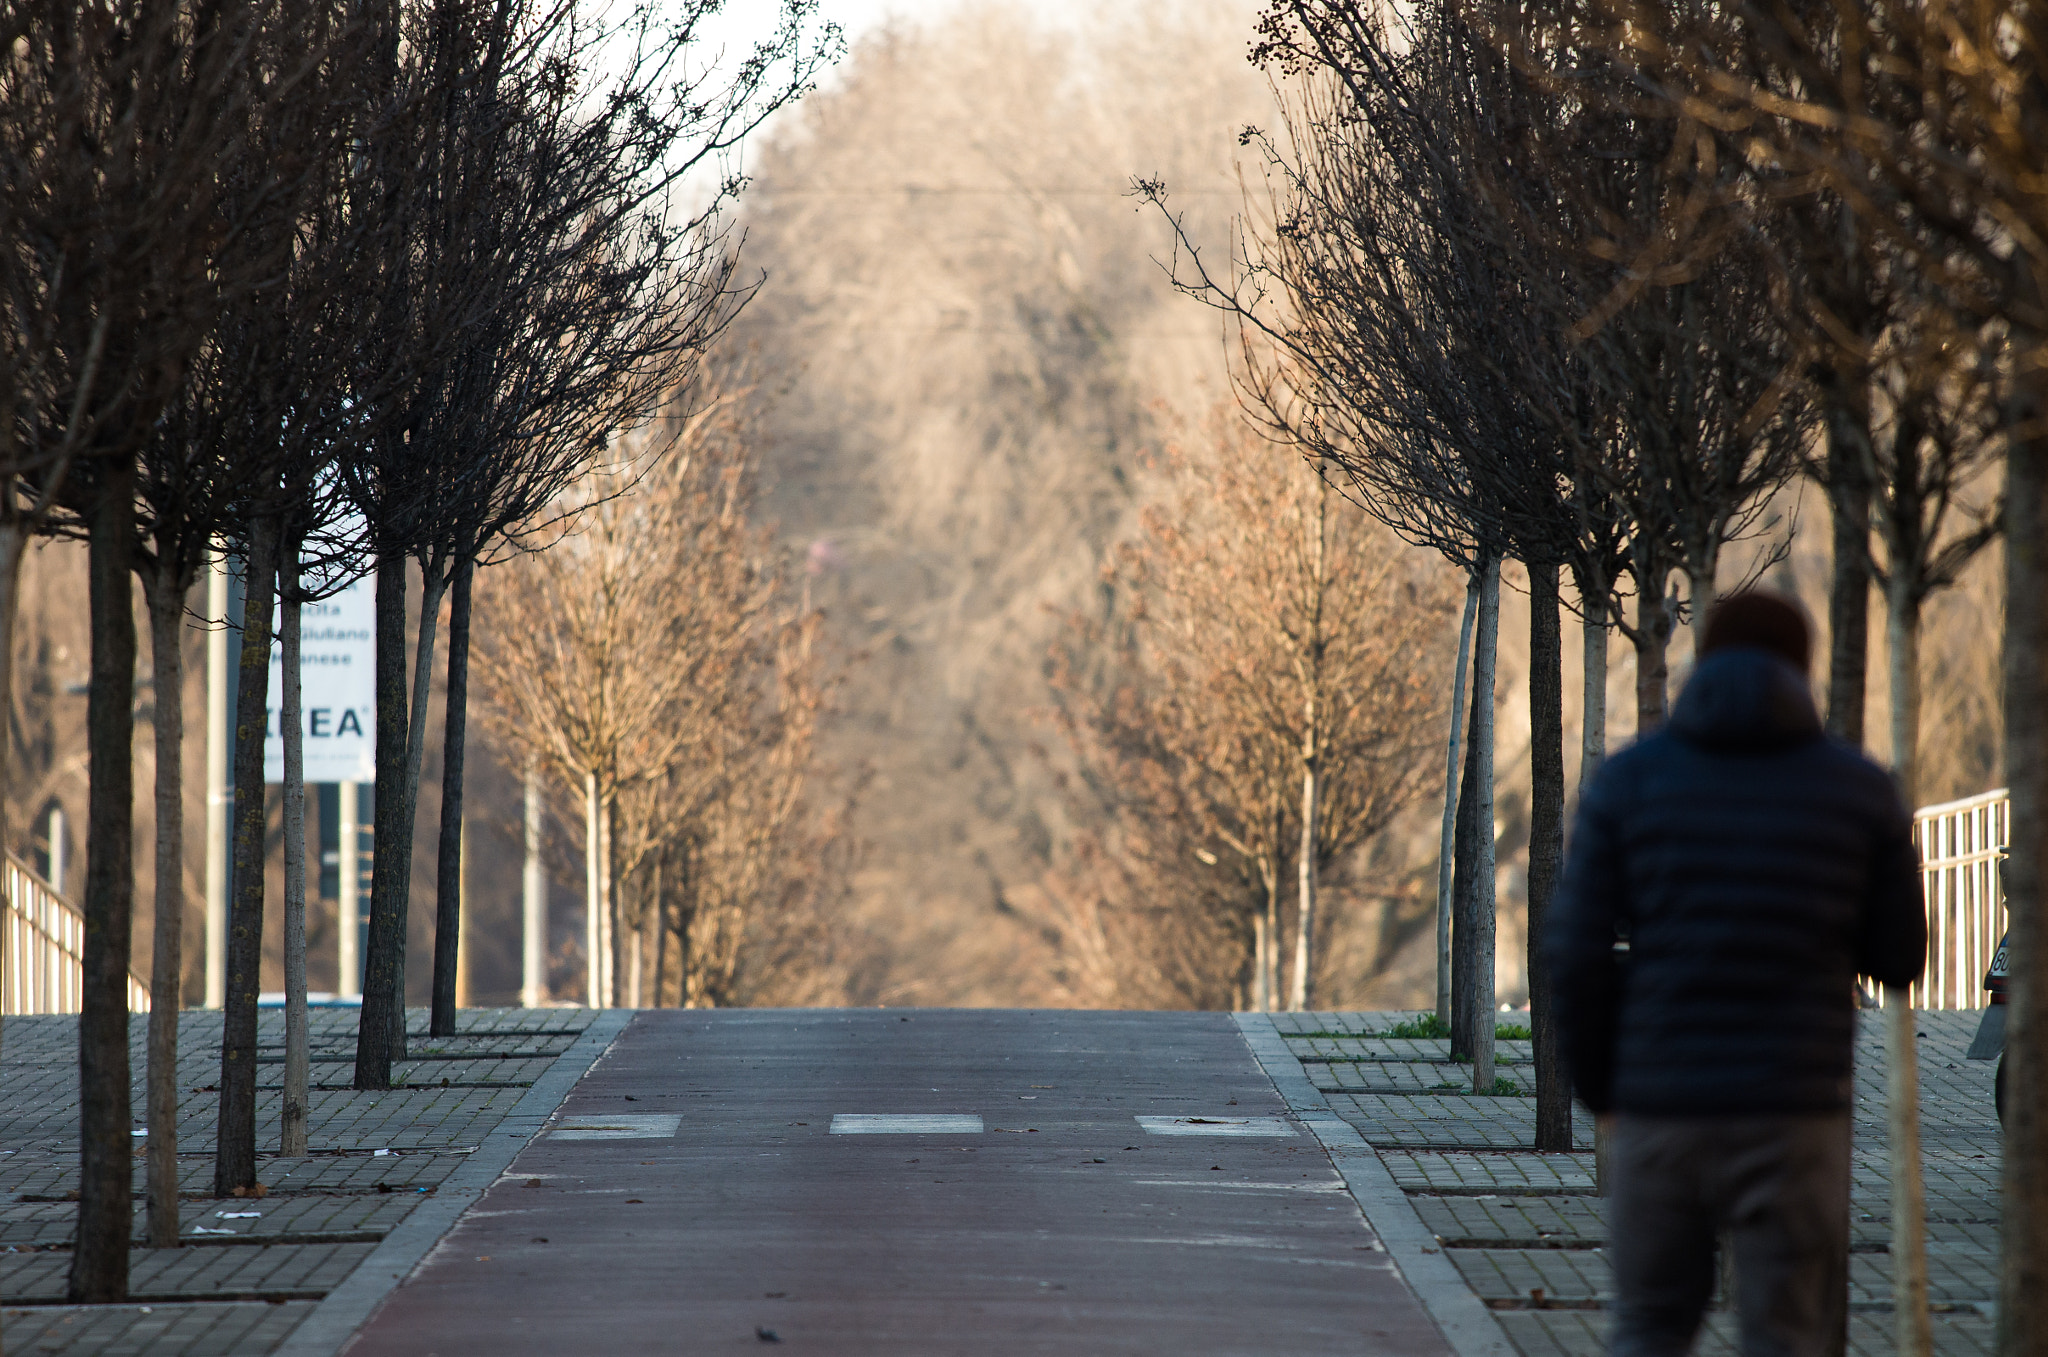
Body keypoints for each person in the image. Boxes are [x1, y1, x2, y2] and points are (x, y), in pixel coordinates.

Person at [1546, 591, 1925, 1357]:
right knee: (1788, 1334)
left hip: (1660, 1106)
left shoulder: (1628, 781)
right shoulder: (1858, 789)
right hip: (1795, 1110)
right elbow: (1900, 956)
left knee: (1648, 1327)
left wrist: (1601, 1088)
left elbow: (1575, 952)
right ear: (1804, 667)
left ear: (1702, 660)